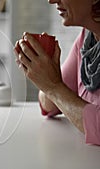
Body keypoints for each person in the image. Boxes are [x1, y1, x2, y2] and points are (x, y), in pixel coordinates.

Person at [14, 0, 100, 145]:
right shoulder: (87, 39)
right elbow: (50, 105)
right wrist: (43, 76)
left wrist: (53, 87)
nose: (52, 0)